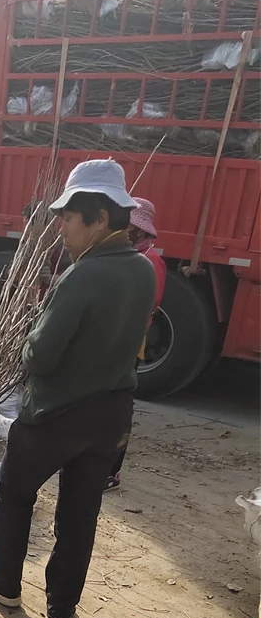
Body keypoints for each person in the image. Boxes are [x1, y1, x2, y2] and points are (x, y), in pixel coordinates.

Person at [0, 159, 156, 618]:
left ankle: (6, 584)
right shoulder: (142, 270)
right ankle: (61, 608)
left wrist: (30, 335)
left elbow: (41, 358)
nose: (61, 228)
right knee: (80, 513)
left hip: (57, 413)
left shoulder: (83, 275)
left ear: (99, 219)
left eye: (68, 218)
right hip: (112, 415)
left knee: (13, 493)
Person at [105, 196, 166, 490]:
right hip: (113, 341)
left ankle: (110, 471)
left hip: (128, 344)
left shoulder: (150, 262)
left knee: (117, 407)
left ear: (140, 231)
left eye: (128, 226)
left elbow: (146, 306)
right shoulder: (125, 257)